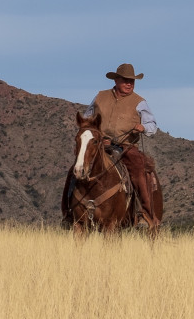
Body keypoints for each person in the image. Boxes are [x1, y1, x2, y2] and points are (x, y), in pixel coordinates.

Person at [63, 63, 160, 227]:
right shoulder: (100, 97)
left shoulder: (139, 102)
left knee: (138, 168)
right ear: (116, 80)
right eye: (125, 80)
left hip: (126, 146)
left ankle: (144, 213)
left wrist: (142, 127)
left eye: (132, 81)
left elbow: (152, 126)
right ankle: (68, 213)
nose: (129, 84)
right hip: (100, 144)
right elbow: (87, 118)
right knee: (75, 169)